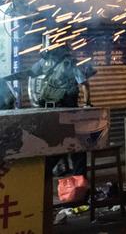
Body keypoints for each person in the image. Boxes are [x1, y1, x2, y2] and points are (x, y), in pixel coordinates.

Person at [33, 44, 94, 177]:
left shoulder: (45, 62)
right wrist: (87, 104)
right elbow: (84, 85)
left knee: (55, 142)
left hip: (48, 109)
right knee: (76, 144)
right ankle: (78, 179)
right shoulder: (70, 63)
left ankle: (44, 172)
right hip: (67, 109)